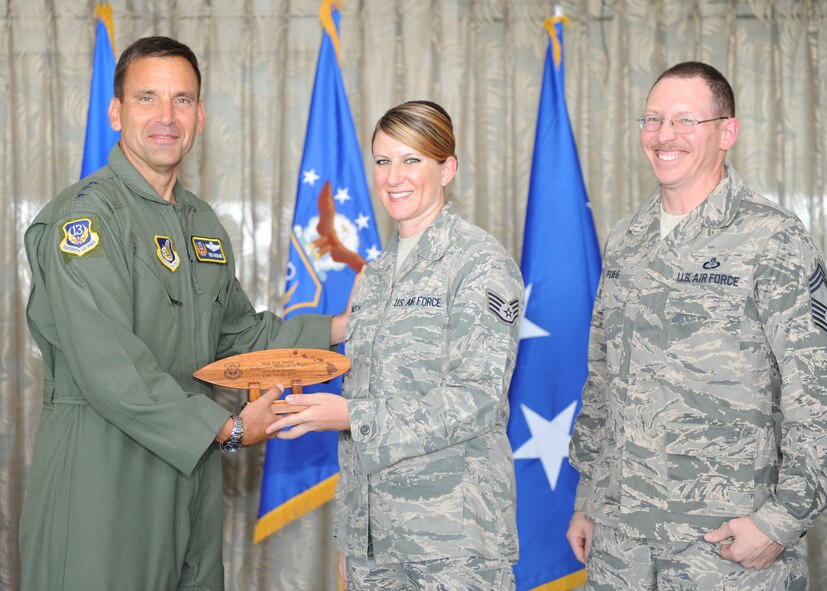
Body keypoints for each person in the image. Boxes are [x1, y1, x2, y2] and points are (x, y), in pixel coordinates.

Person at [19, 36, 348, 591]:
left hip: (190, 477)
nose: (166, 117)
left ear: (200, 117)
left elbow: (240, 335)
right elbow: (113, 368)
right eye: (147, 98)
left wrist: (346, 326)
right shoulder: (85, 221)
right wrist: (231, 427)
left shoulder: (200, 222)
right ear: (116, 113)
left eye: (183, 100)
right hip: (105, 474)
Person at [566, 61, 827, 589]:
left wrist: (782, 519)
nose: (664, 136)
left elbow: (816, 387)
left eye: (686, 121)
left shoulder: (771, 238)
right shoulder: (627, 239)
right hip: (620, 545)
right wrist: (588, 499)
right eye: (652, 120)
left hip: (724, 545)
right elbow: (602, 379)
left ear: (726, 132)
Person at [269, 100, 524, 590]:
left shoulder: (478, 263)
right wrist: (353, 538)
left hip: (454, 542)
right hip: (375, 544)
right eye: (383, 161)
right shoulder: (375, 275)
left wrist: (351, 416)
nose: (393, 177)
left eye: (412, 160)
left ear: (447, 168)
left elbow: (477, 399)